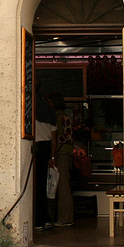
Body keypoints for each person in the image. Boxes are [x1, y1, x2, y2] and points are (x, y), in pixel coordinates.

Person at [49, 93, 75, 227]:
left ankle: (66, 218)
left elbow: (65, 138)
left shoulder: (62, 118)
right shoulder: (61, 117)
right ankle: (62, 217)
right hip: (61, 153)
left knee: (63, 185)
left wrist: (53, 153)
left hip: (62, 154)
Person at [34, 115, 55, 230]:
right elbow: (54, 138)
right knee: (42, 185)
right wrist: (52, 156)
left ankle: (38, 220)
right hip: (46, 147)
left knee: (36, 185)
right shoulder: (50, 117)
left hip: (36, 146)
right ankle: (45, 219)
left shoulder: (33, 115)